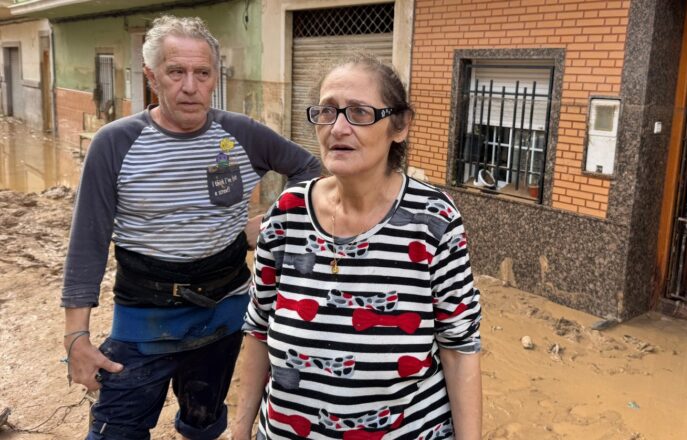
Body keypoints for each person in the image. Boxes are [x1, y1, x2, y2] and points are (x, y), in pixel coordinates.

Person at [60, 15, 321, 440]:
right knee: (115, 430)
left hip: (224, 314)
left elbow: (310, 171)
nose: (190, 85)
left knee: (203, 421)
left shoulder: (240, 133)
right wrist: (76, 337)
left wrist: (270, 223)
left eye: (202, 73)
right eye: (175, 72)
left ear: (214, 76)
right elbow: (88, 243)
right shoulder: (116, 143)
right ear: (151, 76)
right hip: (142, 320)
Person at [232, 53, 482, 440]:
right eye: (328, 111)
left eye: (360, 113)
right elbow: (259, 328)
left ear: (399, 126)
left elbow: (459, 348)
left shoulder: (433, 220)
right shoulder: (287, 212)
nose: (338, 128)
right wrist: (239, 429)